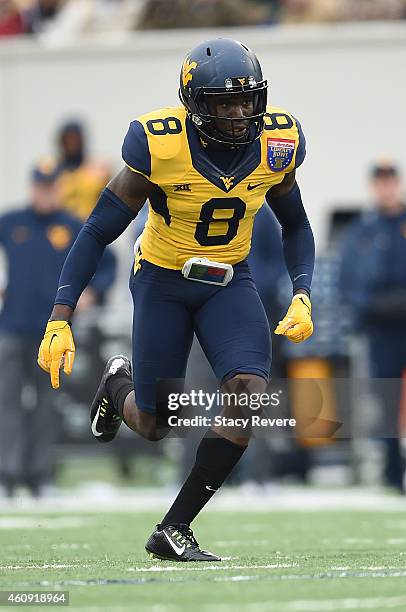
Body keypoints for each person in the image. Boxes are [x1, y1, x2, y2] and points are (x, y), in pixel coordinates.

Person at [38, 38, 315, 559]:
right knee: (154, 424)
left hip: (229, 280)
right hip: (162, 281)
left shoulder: (279, 140)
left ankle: (173, 527)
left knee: (247, 390)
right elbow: (97, 231)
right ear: (195, 104)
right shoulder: (159, 144)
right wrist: (61, 315)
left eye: (248, 100)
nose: (240, 114)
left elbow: (297, 224)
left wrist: (303, 292)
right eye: (225, 103)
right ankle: (116, 385)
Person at [0, 160, 116, 497]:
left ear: (59, 189)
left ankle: (39, 475)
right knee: (7, 403)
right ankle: (8, 473)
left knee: (47, 404)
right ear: (32, 188)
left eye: (51, 187)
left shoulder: (73, 225)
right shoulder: (12, 223)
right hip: (12, 327)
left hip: (54, 333)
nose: (45, 194)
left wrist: (94, 291)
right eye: (40, 187)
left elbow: (105, 262)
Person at [340, 160, 406, 491]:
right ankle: (393, 473)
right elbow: (348, 281)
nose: (386, 187)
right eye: (380, 182)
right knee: (386, 401)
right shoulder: (362, 231)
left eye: (390, 180)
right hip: (381, 329)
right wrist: (369, 306)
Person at [56, 120, 111, 222]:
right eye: (67, 140)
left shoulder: (99, 169)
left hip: (91, 227)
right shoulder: (52, 171)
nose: (71, 144)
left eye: (75, 140)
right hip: (60, 229)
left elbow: (109, 204)